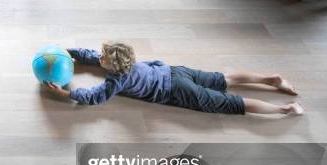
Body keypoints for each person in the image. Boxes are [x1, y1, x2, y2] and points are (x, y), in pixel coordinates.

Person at [42, 42, 304, 116]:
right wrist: (68, 52)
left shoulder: (116, 80)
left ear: (113, 66)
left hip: (175, 90)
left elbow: (95, 97)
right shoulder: (126, 60)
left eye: (102, 59)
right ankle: (271, 79)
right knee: (222, 78)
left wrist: (64, 94)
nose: (97, 58)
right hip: (173, 71)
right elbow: (90, 55)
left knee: (230, 102)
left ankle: (285, 109)